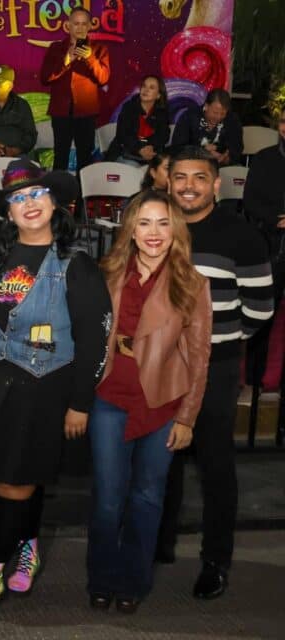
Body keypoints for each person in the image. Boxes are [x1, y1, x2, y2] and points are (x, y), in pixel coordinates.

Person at [0, 159, 111, 615]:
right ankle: (29, 547)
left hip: (44, 387)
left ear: (54, 202)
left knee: (14, 482)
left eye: (37, 194)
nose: (29, 204)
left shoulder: (74, 266)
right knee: (22, 475)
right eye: (18, 199)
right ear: (8, 212)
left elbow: (94, 338)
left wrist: (81, 403)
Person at [157, 146, 274, 599]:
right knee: (159, 460)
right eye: (180, 176)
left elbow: (261, 309)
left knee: (214, 466)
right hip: (161, 365)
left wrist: (218, 339)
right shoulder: (156, 227)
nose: (188, 185)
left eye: (199, 178)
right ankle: (160, 543)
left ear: (216, 184)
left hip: (217, 365)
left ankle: (215, 560)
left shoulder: (240, 235)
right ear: (168, 181)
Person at [87, 189, 211, 614]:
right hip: (110, 394)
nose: (154, 233)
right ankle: (101, 578)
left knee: (147, 498)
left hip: (164, 402)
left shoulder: (193, 284)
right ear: (131, 230)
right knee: (106, 496)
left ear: (175, 231)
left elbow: (199, 358)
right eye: (144, 223)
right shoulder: (109, 272)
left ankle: (134, 583)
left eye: (163, 223)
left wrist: (187, 418)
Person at [242, 109, 285, 445]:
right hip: (270, 245)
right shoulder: (264, 159)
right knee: (263, 314)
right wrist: (275, 220)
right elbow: (250, 201)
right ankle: (253, 382)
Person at [39, 7, 110, 171]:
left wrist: (90, 58)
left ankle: (82, 196)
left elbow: (103, 78)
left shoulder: (99, 49)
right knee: (60, 156)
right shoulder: (56, 48)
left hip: (86, 113)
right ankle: (59, 195)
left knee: (85, 158)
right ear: (68, 26)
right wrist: (67, 60)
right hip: (61, 112)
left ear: (90, 26)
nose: (80, 28)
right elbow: (45, 78)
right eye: (76, 23)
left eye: (84, 24)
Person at [105, 75, 170, 166]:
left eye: (151, 87)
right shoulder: (129, 107)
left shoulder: (162, 112)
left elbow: (163, 135)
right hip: (126, 153)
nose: (146, 90)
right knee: (134, 167)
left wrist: (151, 147)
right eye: (144, 86)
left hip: (150, 154)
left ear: (158, 95)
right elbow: (123, 135)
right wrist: (140, 149)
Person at [170, 89, 242, 166]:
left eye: (223, 113)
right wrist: (203, 151)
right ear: (206, 106)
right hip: (192, 163)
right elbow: (178, 146)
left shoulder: (232, 119)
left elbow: (237, 147)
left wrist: (226, 158)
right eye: (215, 112)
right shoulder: (190, 116)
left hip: (222, 166)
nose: (218, 117)